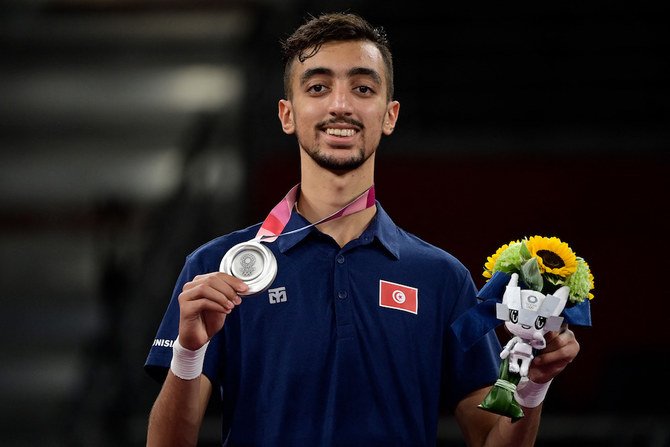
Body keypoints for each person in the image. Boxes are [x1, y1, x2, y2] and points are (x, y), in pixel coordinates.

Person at [145, 12, 580, 447]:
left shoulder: (442, 279)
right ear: (287, 114)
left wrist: (532, 386)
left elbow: (490, 441)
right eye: (318, 88)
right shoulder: (216, 269)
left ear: (389, 115)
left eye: (363, 88)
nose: (340, 105)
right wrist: (188, 354)